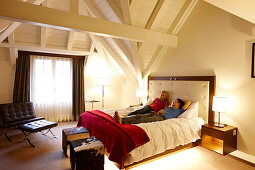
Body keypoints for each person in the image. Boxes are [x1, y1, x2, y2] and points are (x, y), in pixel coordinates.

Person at [114, 99, 190, 124]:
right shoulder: (170, 108)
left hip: (162, 118)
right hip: (156, 114)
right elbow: (162, 111)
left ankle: (123, 121)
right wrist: (159, 111)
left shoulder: (180, 110)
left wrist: (184, 101)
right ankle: (121, 119)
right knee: (139, 116)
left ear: (179, 104)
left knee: (143, 120)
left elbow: (189, 102)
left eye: (175, 101)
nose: (173, 102)